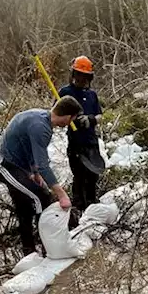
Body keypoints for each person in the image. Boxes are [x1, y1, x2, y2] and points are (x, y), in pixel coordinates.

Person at [0, 96, 83, 256]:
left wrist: (34, 173)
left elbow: (29, 148)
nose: (68, 124)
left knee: (24, 207)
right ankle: (49, 249)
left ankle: (29, 251)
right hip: (4, 166)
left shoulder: (40, 117)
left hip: (19, 167)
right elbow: (43, 165)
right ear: (68, 116)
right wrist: (61, 194)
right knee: (41, 197)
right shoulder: (41, 127)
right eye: (71, 120)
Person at [58, 55, 105, 217]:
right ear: (73, 74)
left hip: (91, 142)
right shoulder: (65, 93)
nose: (81, 78)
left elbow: (100, 115)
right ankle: (78, 209)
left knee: (92, 176)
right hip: (75, 143)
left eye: (85, 76)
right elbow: (56, 115)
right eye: (79, 74)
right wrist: (72, 119)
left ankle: (92, 205)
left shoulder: (92, 95)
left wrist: (90, 119)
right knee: (79, 176)